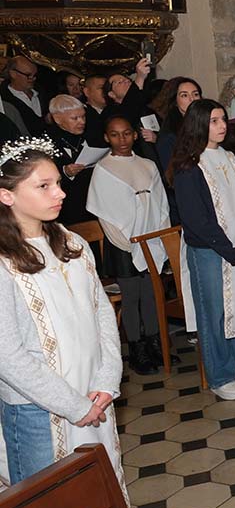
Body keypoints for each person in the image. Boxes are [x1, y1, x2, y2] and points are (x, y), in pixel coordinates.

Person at [0, 136, 120, 508]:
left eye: (57, 182)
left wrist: (107, 380)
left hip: (94, 395)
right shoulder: (3, 260)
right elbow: (8, 356)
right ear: (6, 195)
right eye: (44, 185)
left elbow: (101, 311)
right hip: (40, 409)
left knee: (95, 498)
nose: (60, 193)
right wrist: (74, 404)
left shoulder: (71, 242)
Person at [167, 99, 235, 401]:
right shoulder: (189, 166)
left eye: (223, 120)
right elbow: (195, 219)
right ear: (199, 124)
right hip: (210, 250)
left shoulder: (228, 156)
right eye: (214, 121)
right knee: (214, 313)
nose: (221, 126)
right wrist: (229, 249)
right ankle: (220, 375)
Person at [86, 115, 170, 376]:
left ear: (135, 134)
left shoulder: (147, 165)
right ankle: (136, 349)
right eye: (114, 134)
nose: (121, 139)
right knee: (131, 297)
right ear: (106, 137)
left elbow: (160, 204)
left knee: (151, 294)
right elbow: (104, 213)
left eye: (126, 133)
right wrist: (126, 244)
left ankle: (155, 343)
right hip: (122, 242)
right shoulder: (103, 169)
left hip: (150, 239)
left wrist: (160, 236)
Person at [45, 95, 93, 225]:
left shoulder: (90, 134)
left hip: (93, 198)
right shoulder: (47, 142)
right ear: (58, 119)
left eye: (83, 117)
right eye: (75, 118)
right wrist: (65, 172)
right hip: (67, 205)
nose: (82, 122)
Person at [147, 76, 202, 174]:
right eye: (184, 95)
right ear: (175, 101)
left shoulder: (206, 124)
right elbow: (173, 173)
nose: (192, 99)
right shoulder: (169, 135)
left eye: (195, 94)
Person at [1, 55, 45, 135]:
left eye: (35, 75)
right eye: (28, 75)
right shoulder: (3, 98)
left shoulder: (45, 94)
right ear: (13, 73)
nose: (33, 79)